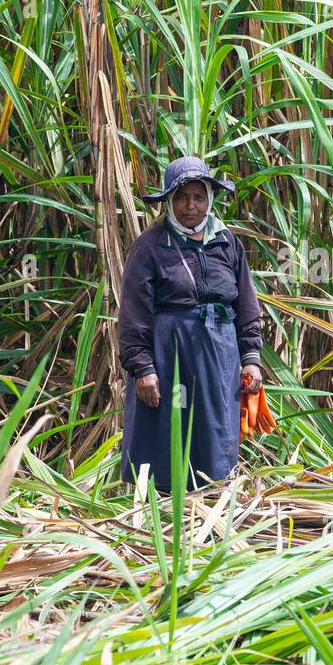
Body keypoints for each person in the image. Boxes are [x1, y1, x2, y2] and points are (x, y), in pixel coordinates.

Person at [118, 156, 264, 493]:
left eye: (198, 197)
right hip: (171, 360)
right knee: (170, 430)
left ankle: (212, 501)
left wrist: (251, 359)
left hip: (220, 361)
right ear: (169, 201)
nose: (190, 206)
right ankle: (167, 511)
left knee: (214, 430)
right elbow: (133, 314)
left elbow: (246, 306)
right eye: (182, 198)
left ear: (209, 199)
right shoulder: (149, 247)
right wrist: (143, 368)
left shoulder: (227, 243)